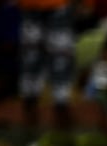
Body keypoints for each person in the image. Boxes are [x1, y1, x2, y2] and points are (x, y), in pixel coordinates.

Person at [17, 0, 84, 131]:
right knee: (31, 56)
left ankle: (61, 104)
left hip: (58, 5)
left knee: (60, 57)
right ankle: (30, 103)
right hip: (31, 6)